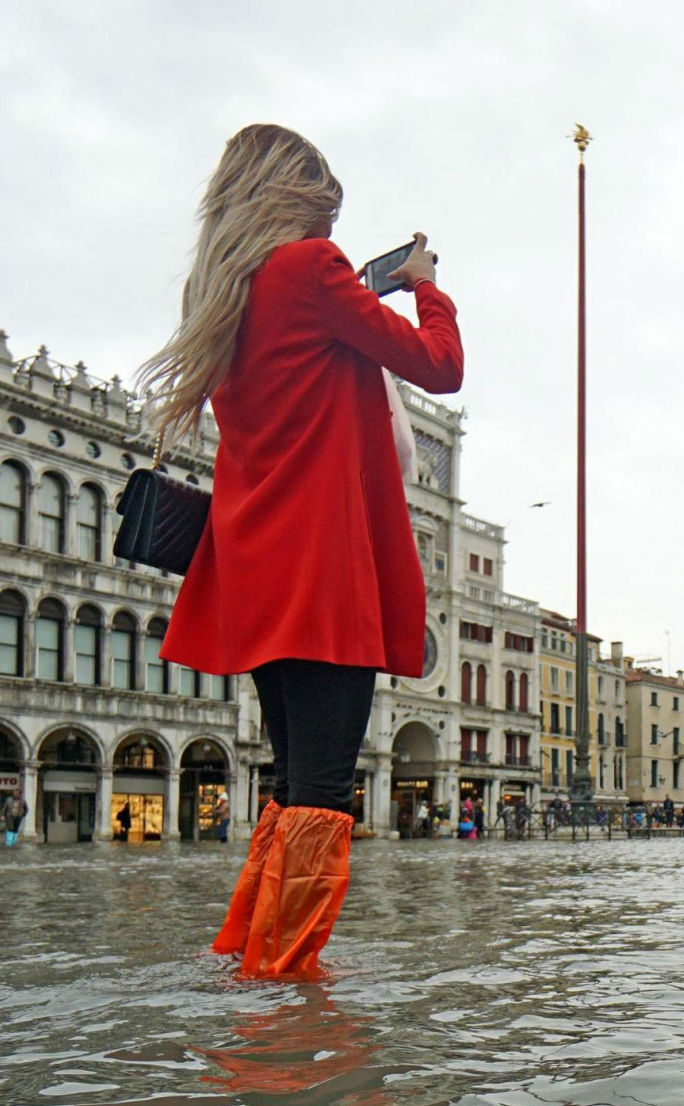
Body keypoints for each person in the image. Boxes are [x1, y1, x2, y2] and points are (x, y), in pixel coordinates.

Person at [147, 124, 463, 980]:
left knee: (292, 783)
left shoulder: (224, 293)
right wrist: (426, 289)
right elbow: (440, 367)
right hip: (323, 567)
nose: (331, 230)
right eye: (324, 210)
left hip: (254, 564)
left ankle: (258, 962)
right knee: (321, 790)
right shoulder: (309, 273)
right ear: (297, 198)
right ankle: (288, 985)